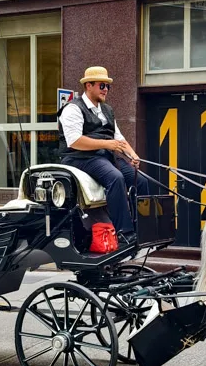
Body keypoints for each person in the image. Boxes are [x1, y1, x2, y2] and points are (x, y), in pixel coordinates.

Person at [57, 66, 148, 248]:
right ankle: (124, 232)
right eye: (101, 85)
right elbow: (74, 141)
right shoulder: (73, 109)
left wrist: (133, 155)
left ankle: (143, 228)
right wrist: (107, 145)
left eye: (108, 86)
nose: (106, 89)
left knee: (141, 180)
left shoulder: (107, 110)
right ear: (88, 86)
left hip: (105, 157)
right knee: (115, 178)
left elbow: (118, 138)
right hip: (79, 158)